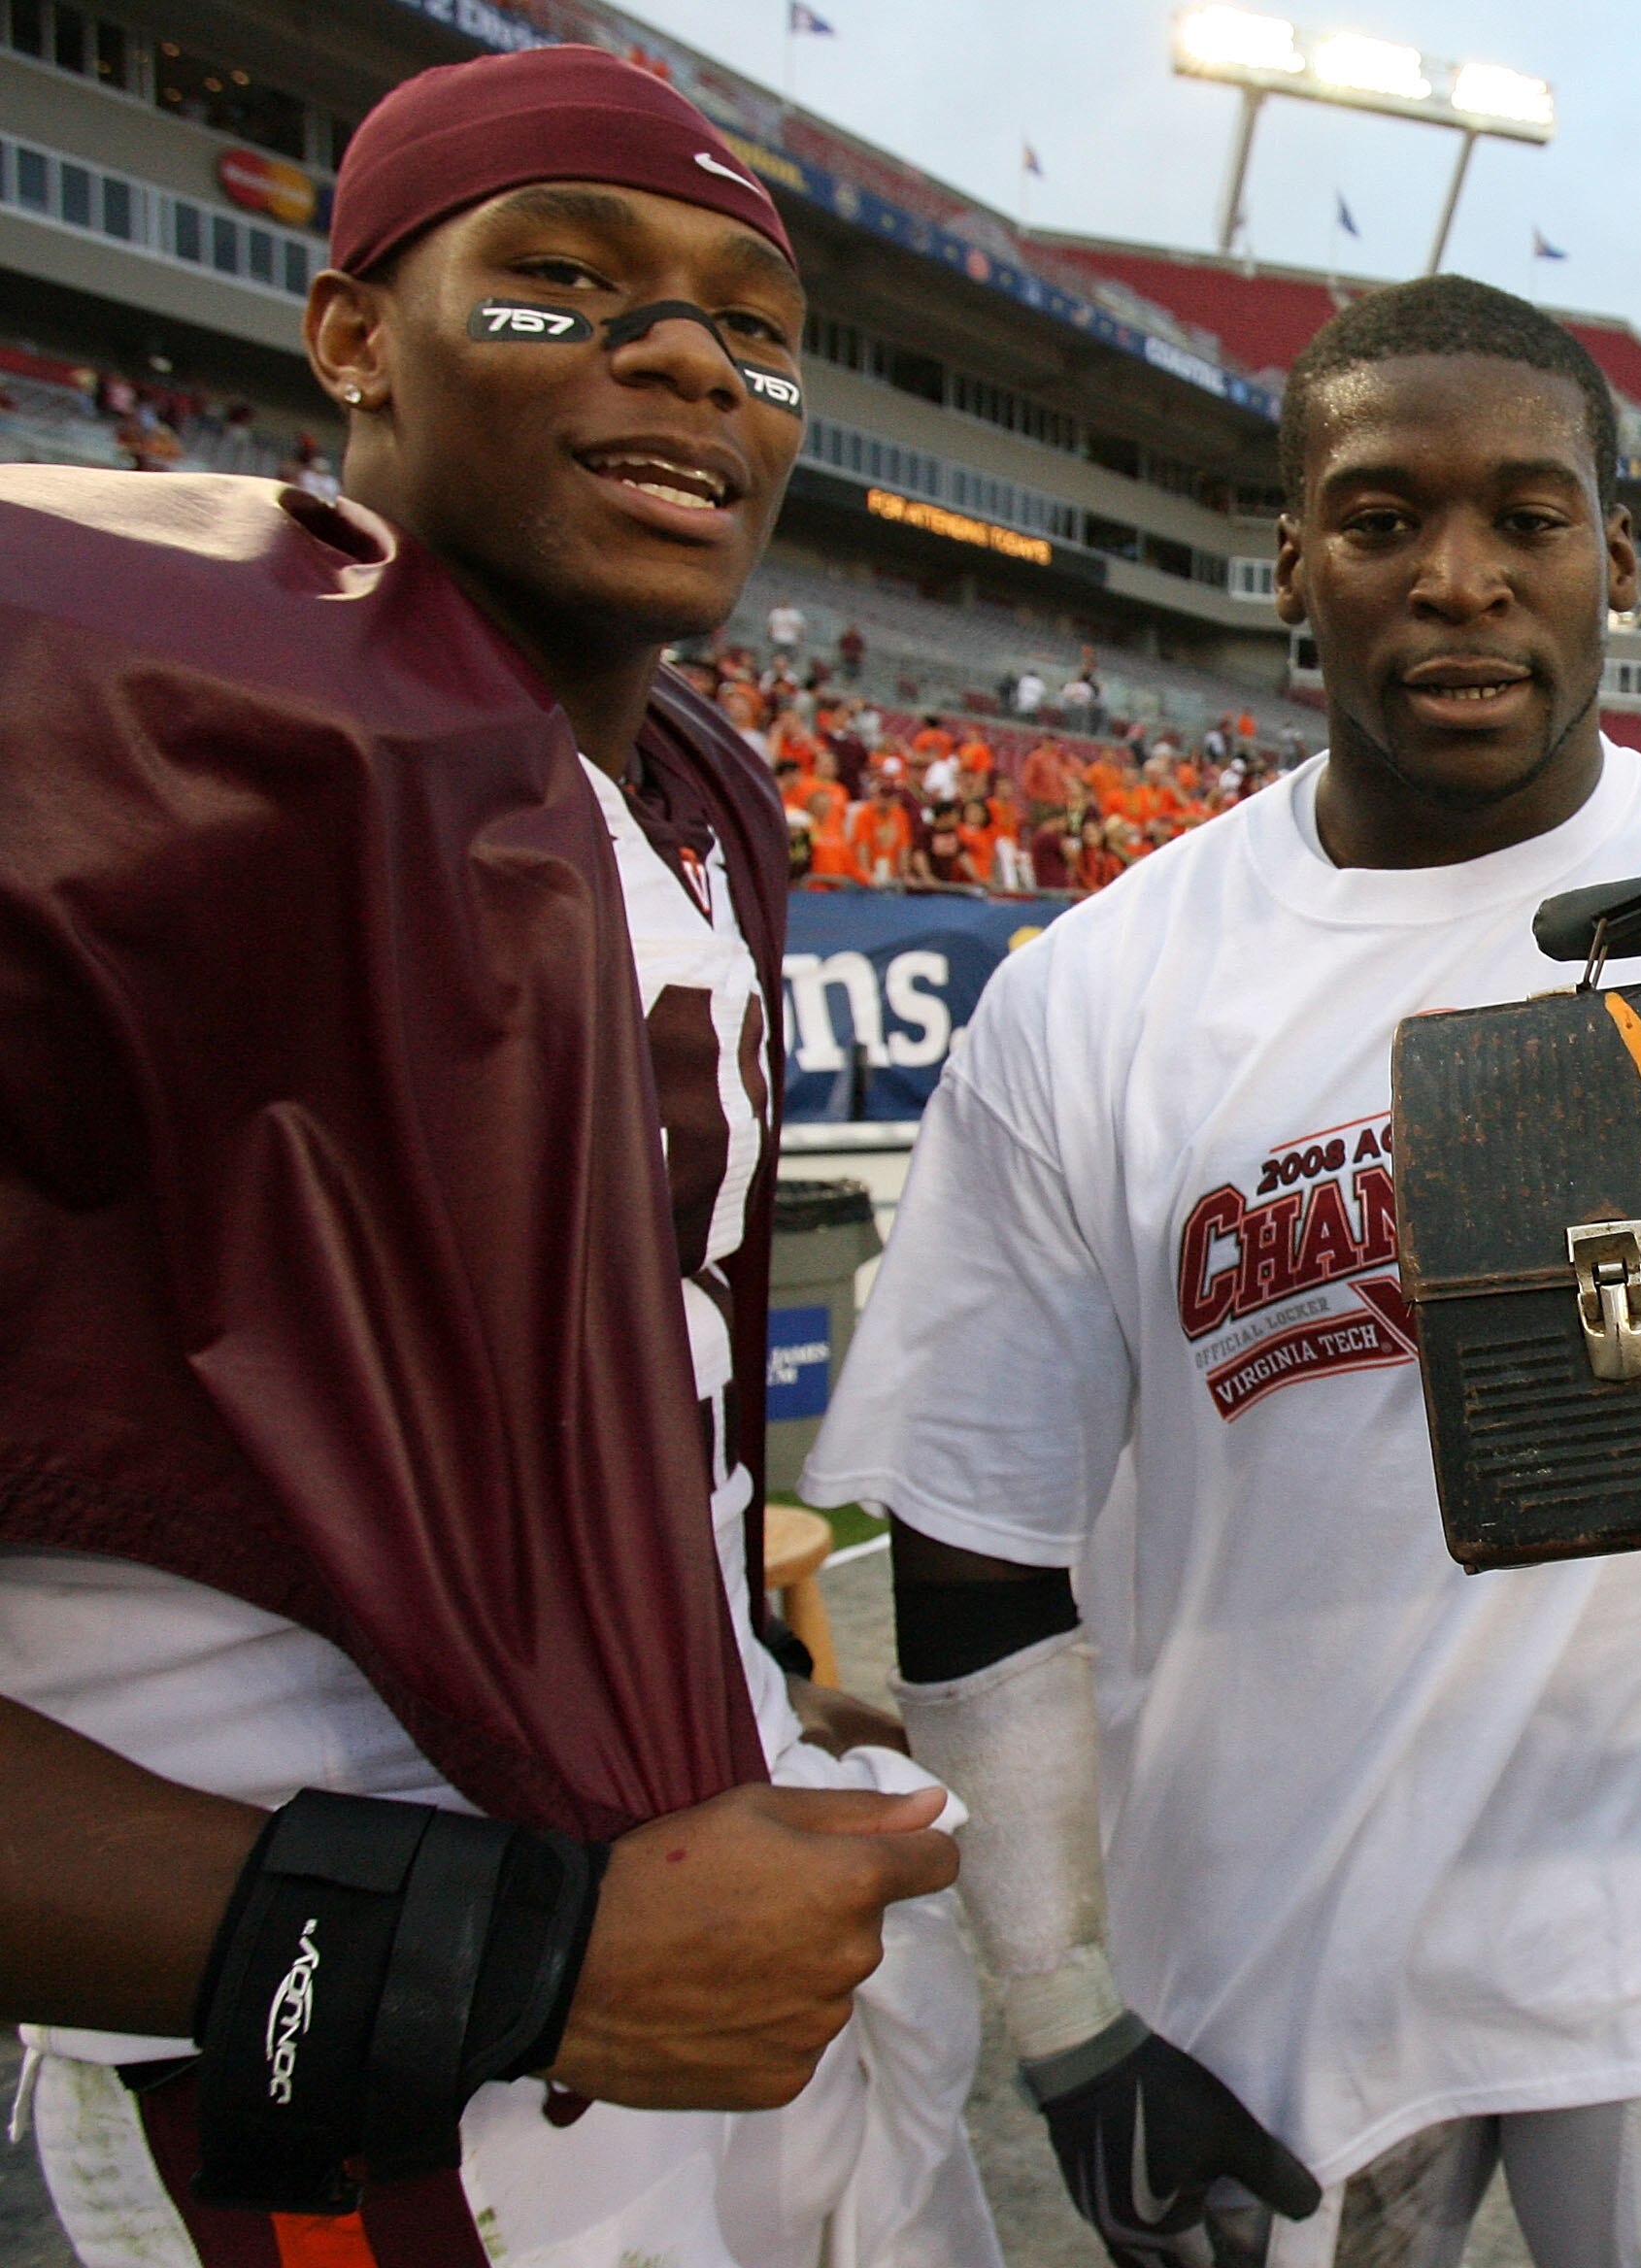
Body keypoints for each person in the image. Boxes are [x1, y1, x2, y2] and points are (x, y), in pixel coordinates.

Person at [802, 274, 1641, 2268]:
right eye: (1382, 518)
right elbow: (972, 1533)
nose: (1458, 577)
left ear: (1615, 560)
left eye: (1527, 519)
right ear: (1291, 557)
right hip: (1264, 1963)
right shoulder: (1100, 993)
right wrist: (1061, 2014)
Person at [0, 43, 993, 2268]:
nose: (684, 357)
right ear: (353, 331)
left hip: (716, 1942)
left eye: (755, 325)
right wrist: (514, 1945)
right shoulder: (101, 706)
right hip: (340, 2084)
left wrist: (722, 1632)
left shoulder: (701, 801)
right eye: (561, 282)